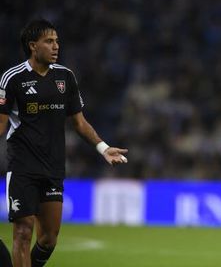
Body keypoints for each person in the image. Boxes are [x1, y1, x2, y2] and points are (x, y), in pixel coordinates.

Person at [0, 19, 128, 267]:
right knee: (23, 232)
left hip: (53, 166)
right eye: (49, 41)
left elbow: (79, 123)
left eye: (57, 40)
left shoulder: (65, 77)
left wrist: (103, 148)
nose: (56, 46)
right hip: (22, 166)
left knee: (48, 239)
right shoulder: (11, 79)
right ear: (33, 46)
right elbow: (1, 124)